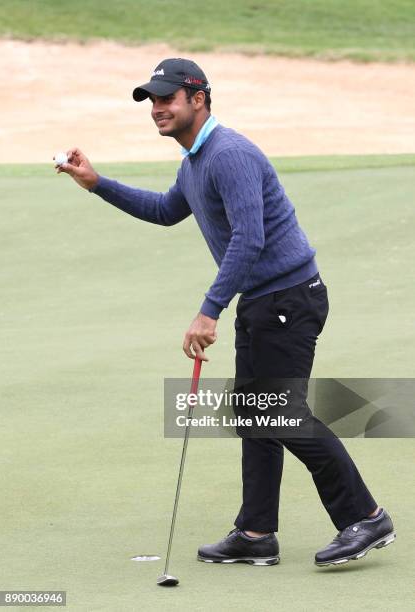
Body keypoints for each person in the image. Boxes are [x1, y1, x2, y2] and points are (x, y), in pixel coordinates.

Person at [55, 58, 395, 567]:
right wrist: (96, 182)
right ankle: (257, 533)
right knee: (255, 415)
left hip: (288, 300)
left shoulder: (228, 153)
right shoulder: (195, 160)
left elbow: (250, 238)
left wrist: (209, 310)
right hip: (265, 303)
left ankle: (365, 518)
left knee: (281, 412)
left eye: (167, 98)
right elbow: (166, 211)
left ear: (199, 98)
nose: (157, 108)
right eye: (152, 100)